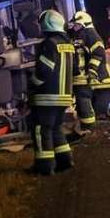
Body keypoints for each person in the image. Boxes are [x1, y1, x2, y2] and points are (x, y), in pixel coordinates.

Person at [29, 9, 76, 174]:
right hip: (64, 96)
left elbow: (44, 70)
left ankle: (44, 166)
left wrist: (32, 85)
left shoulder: (49, 43)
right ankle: (65, 160)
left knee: (41, 130)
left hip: (47, 96)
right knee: (56, 128)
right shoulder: (69, 44)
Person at [68, 11, 110, 131]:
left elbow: (98, 53)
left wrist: (92, 70)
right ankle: (85, 127)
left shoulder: (91, 34)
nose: (74, 27)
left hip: (85, 76)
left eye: (77, 24)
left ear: (84, 24)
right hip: (79, 76)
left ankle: (88, 127)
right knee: (81, 102)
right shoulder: (80, 35)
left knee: (84, 100)